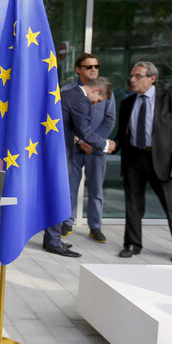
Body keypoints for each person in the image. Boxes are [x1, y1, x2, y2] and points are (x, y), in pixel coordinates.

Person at [111, 61, 172, 262]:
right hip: (134, 159)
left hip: (163, 161)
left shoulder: (171, 99)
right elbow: (122, 135)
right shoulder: (127, 103)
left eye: (138, 76)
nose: (132, 80)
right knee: (133, 205)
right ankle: (132, 244)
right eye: (131, 76)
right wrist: (112, 145)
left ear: (152, 78)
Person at [49, 77, 113, 254]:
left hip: (57, 150)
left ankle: (51, 238)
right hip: (61, 153)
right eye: (98, 100)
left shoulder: (68, 94)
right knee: (59, 195)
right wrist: (106, 145)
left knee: (58, 194)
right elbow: (84, 131)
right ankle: (53, 241)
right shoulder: (80, 100)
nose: (95, 103)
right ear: (96, 90)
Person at [61, 55, 116, 243]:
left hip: (96, 150)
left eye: (96, 66)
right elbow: (65, 123)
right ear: (78, 69)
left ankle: (95, 226)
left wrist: (95, 142)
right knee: (69, 188)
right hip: (74, 148)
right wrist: (80, 142)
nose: (94, 69)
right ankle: (67, 222)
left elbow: (110, 119)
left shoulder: (106, 91)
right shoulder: (68, 91)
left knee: (96, 190)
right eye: (89, 66)